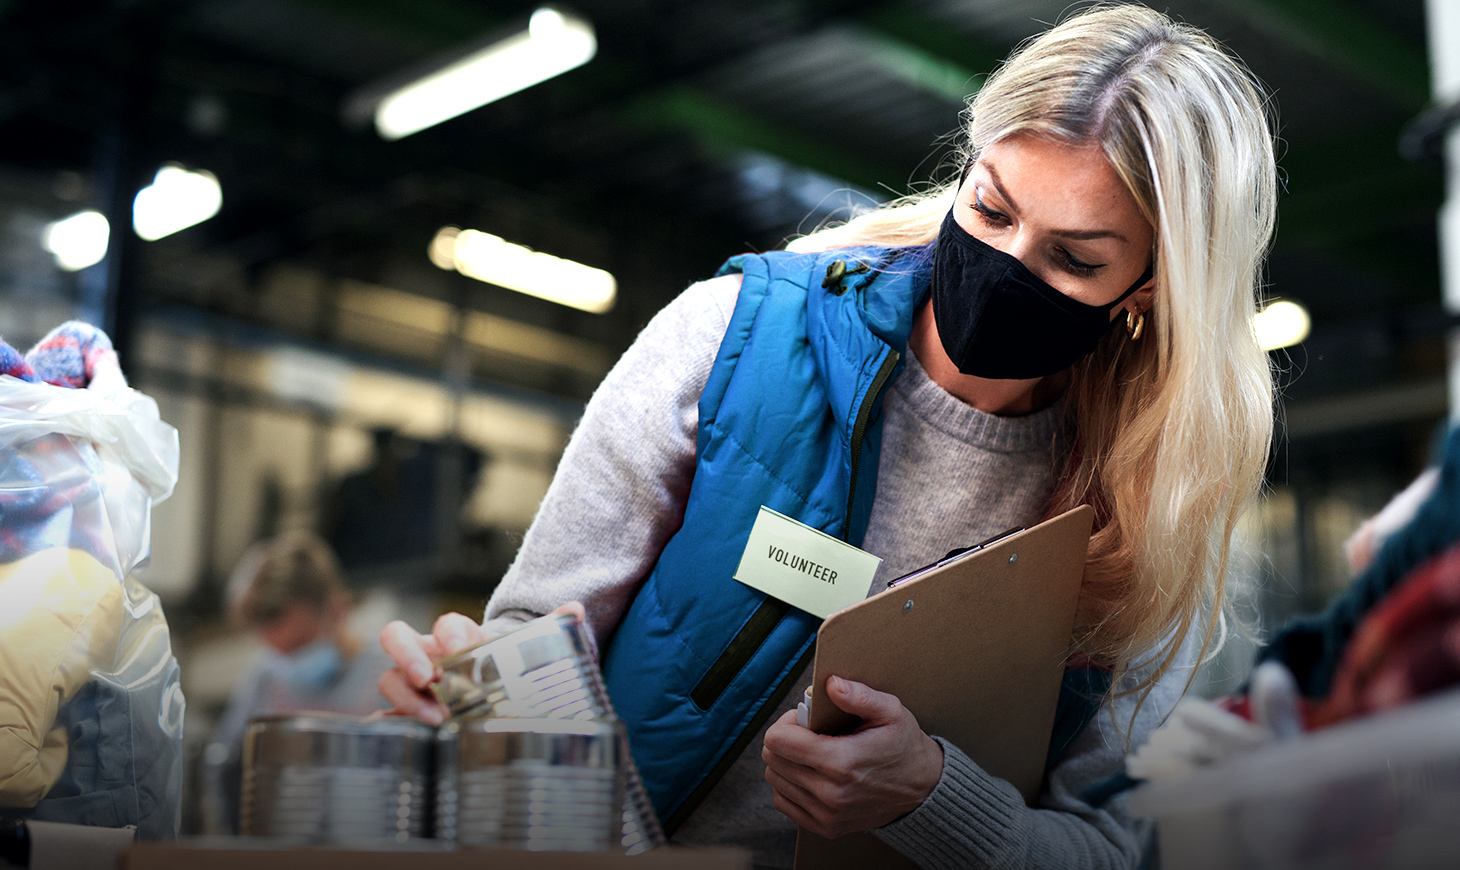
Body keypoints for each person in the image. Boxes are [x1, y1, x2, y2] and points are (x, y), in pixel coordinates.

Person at [378, 5, 1276, 867]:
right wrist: (469, 696)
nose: (1006, 266)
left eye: (1076, 260)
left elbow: (1110, 853)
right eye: (992, 211)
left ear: (1154, 287)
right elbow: (533, 635)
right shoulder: (737, 339)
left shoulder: (1148, 512)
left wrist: (935, 800)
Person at [204, 531, 392, 833]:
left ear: (337, 610)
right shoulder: (263, 680)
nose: (287, 664)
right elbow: (225, 771)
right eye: (277, 652)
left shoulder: (387, 679)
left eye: (299, 647)